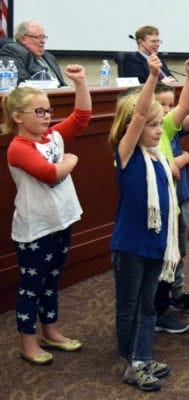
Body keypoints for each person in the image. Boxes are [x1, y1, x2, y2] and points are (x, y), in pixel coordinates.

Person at [3, 64, 91, 365]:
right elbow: (50, 174)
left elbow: (82, 117)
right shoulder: (18, 147)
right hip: (35, 229)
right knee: (32, 287)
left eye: (48, 110)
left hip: (60, 221)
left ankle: (50, 331)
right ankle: (27, 342)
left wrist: (80, 82)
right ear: (18, 117)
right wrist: (71, 160)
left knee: (52, 281)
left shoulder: (52, 136)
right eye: (39, 111)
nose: (47, 116)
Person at [108, 54, 177, 392]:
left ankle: (142, 355)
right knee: (130, 306)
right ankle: (131, 362)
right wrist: (152, 77)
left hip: (154, 245)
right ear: (131, 128)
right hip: (130, 245)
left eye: (160, 124)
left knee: (148, 304)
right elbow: (138, 114)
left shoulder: (158, 158)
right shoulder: (127, 154)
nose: (158, 130)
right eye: (152, 125)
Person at [151, 59, 189, 334]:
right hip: (160, 204)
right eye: (161, 104)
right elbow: (167, 165)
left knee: (178, 250)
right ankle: (158, 308)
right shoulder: (149, 133)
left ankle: (174, 294)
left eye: (169, 104)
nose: (167, 109)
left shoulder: (170, 127)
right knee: (162, 255)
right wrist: (182, 158)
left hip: (179, 196)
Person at [0, 20, 66, 86]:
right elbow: (22, 83)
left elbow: (62, 84)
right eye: (38, 37)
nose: (43, 41)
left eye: (43, 37)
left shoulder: (49, 57)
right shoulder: (11, 51)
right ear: (23, 39)